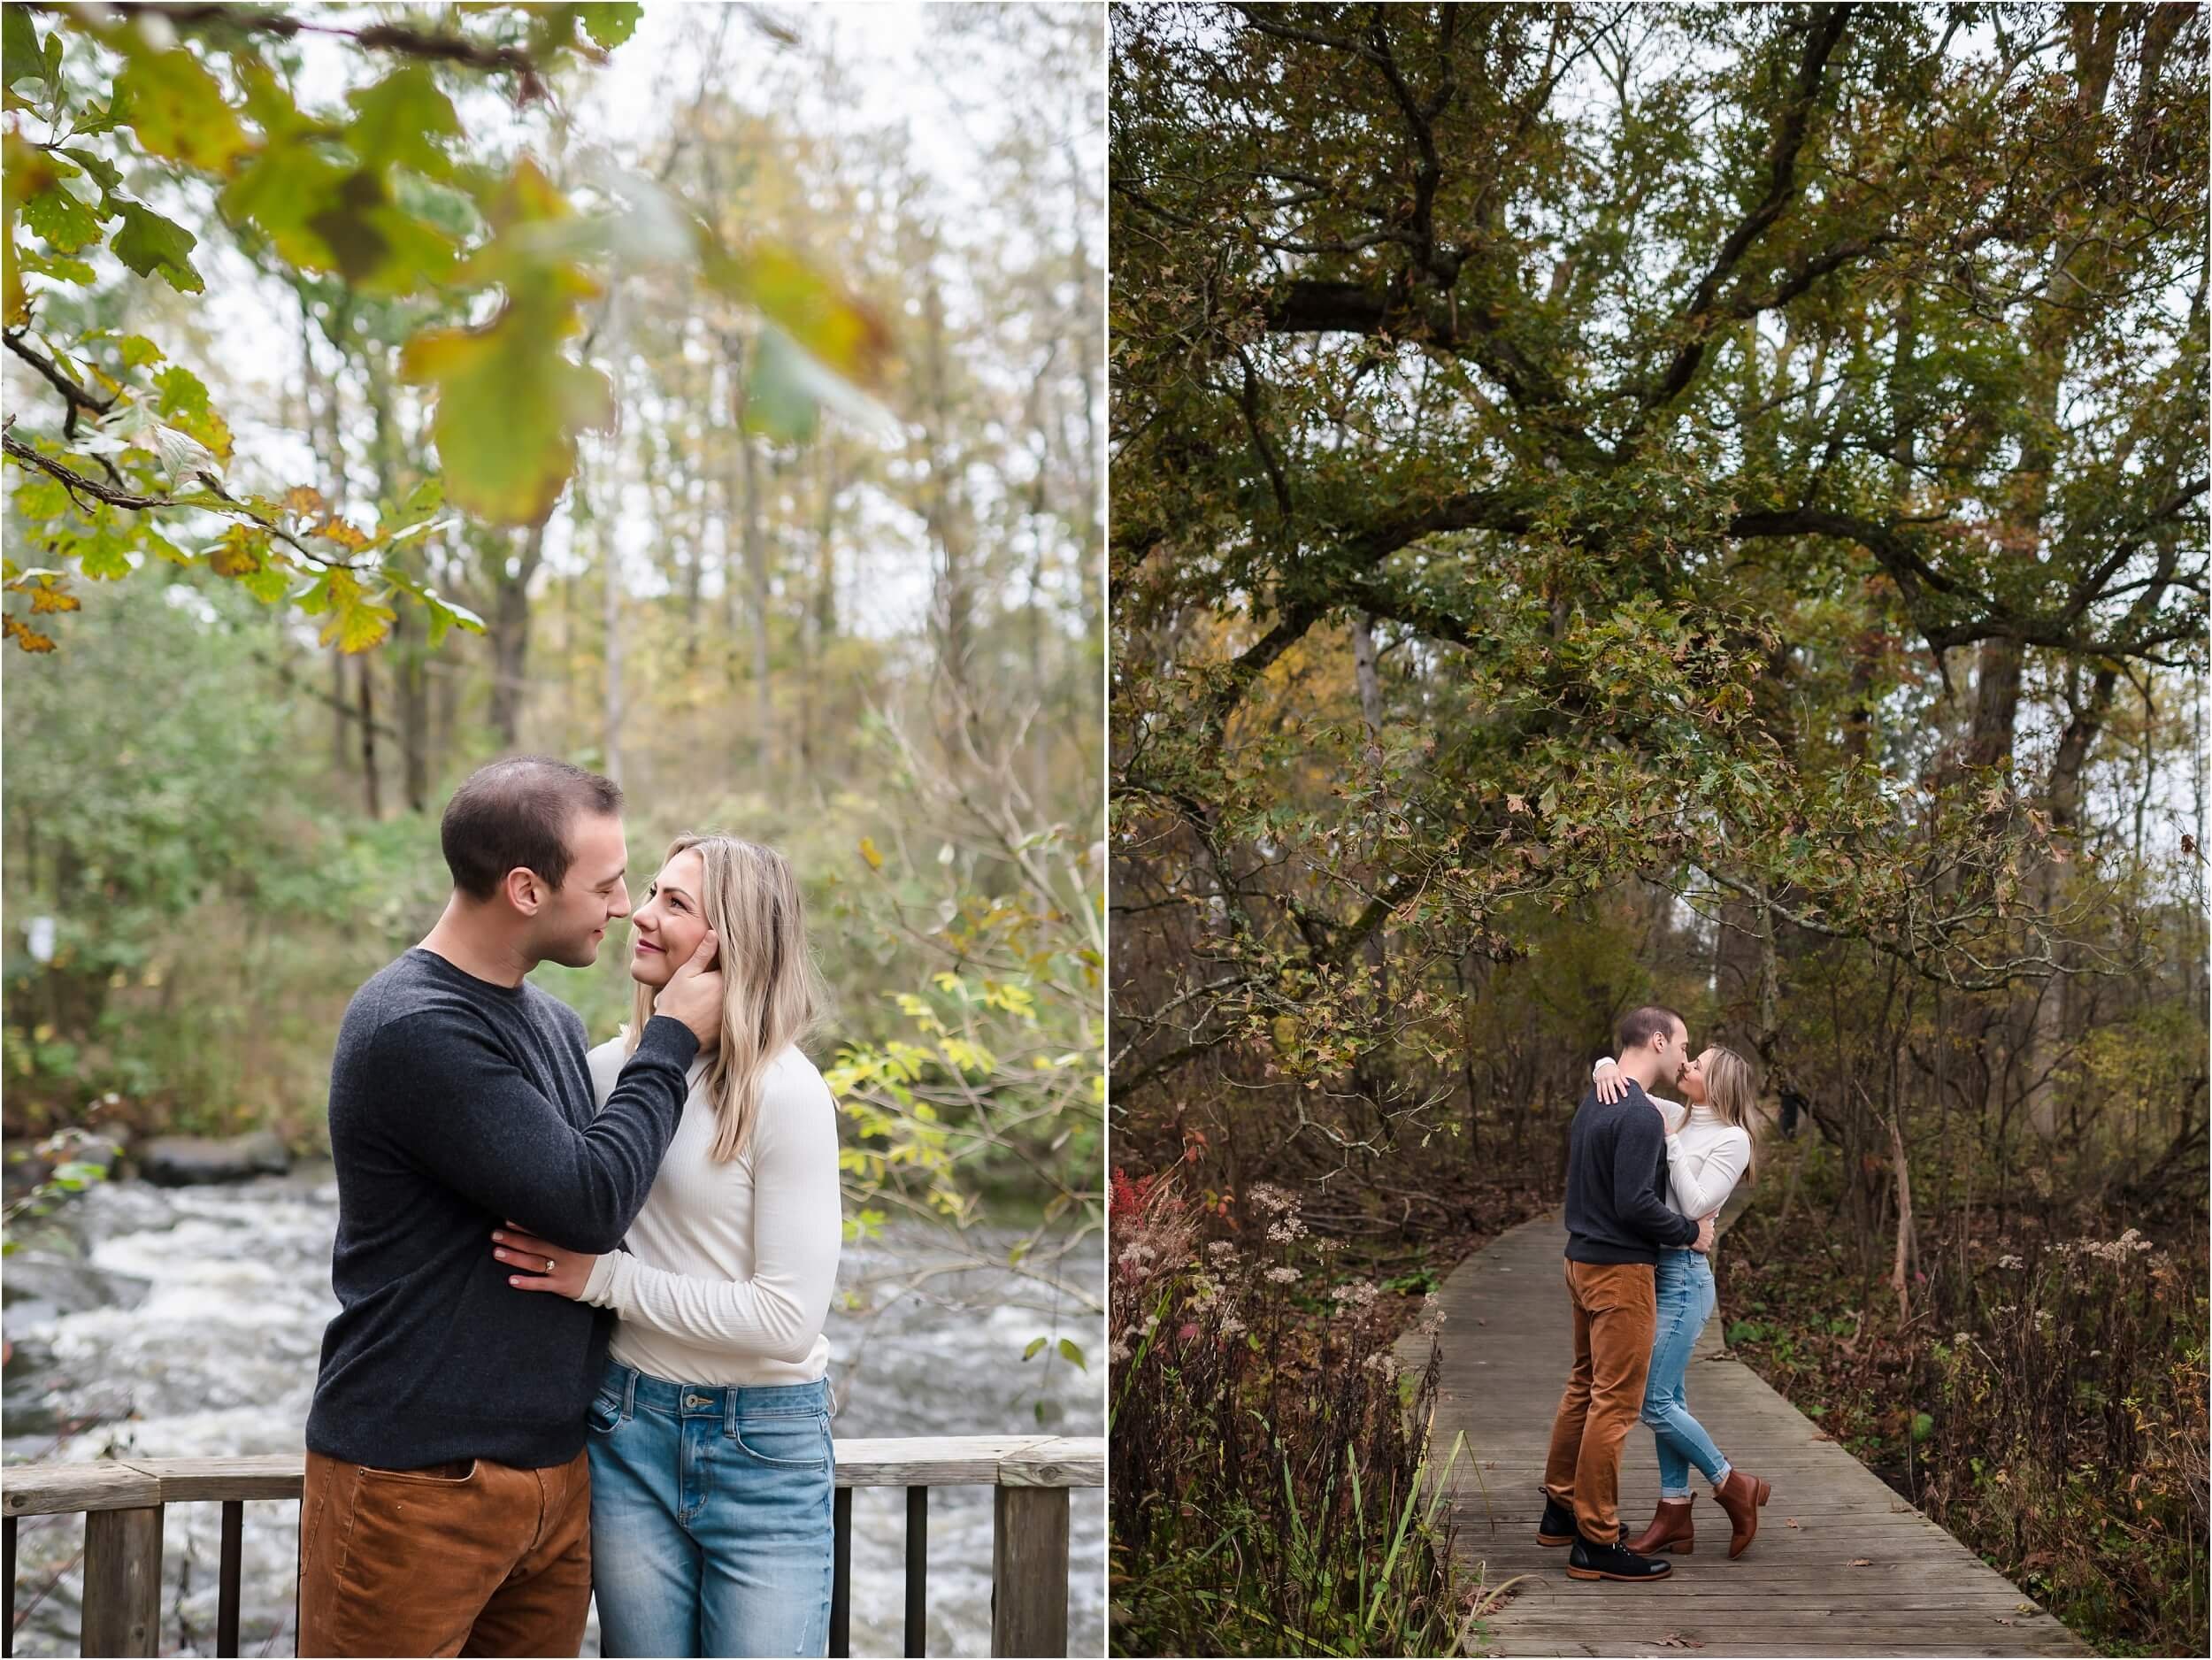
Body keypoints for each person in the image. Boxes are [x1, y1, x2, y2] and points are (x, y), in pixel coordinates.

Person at [298, 758, 724, 1658]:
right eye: (608, 883)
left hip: (554, 1477)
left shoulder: (554, 1024)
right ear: (526, 888)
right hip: (414, 1481)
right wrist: (674, 1037)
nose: (623, 906)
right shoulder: (412, 1025)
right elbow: (589, 1202)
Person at [488, 834, 842, 1657]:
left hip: (766, 1449)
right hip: (626, 1432)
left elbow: (786, 1320)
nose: (639, 916)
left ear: (734, 941)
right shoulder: (607, 1075)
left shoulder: (786, 1096)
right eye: (651, 892)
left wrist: (601, 1280)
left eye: (675, 905)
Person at [1537, 1005, 1714, 1586]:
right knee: (1614, 1404)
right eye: (1682, 1043)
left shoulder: (1598, 1099)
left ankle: (1560, 1510)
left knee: (1584, 1389)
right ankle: (1595, 1539)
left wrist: (1602, 1064)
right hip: (1617, 1273)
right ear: (1657, 1040)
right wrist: (1690, 1233)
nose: (1685, 1056)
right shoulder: (1636, 1114)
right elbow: (1635, 1202)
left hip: (1580, 1261)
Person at [1594, 1043, 1770, 1557]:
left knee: (1652, 1399)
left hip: (1686, 1279)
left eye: (1700, 1064)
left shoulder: (1732, 1139)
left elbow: (1696, 1206)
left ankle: (1733, 1484)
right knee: (1671, 1398)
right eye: (1691, 1058)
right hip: (1656, 1270)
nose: (1687, 1065)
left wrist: (1670, 1144)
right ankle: (1674, 1513)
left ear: (1717, 1084)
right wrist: (1606, 1066)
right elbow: (1619, 1076)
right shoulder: (1677, 1115)